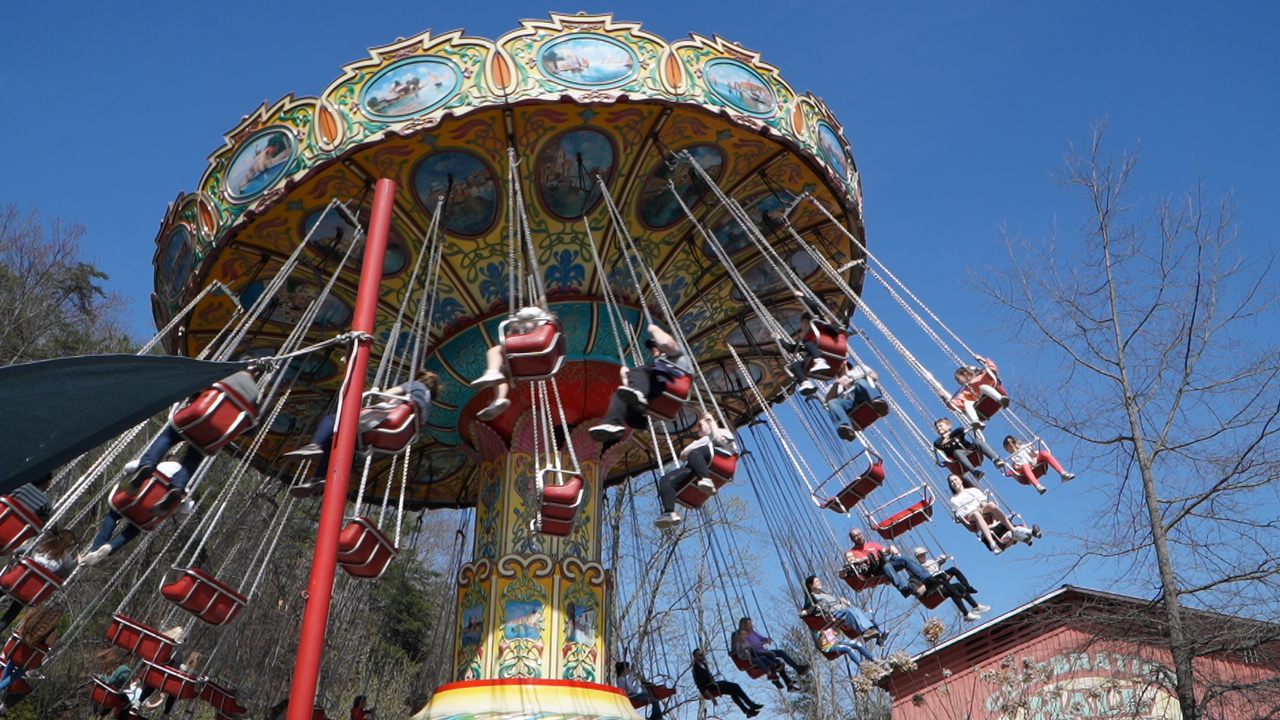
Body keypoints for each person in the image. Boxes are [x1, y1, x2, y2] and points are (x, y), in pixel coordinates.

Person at [117, 366, 263, 516]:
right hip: (214, 436)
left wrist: (195, 398)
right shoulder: (256, 397)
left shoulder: (225, 373)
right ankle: (178, 487)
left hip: (197, 416)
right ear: (257, 373)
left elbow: (196, 388)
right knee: (195, 455)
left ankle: (147, 464)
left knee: (169, 436)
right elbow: (251, 431)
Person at [285, 370, 441, 497]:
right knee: (348, 443)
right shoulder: (427, 406)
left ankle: (315, 445)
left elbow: (388, 395)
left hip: (385, 417)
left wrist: (380, 394)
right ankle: (321, 477)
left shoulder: (415, 385)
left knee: (334, 420)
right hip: (402, 436)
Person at [590, 325, 694, 443]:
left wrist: (653, 328)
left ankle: (638, 399)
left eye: (655, 345)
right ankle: (613, 423)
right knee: (620, 394)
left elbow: (666, 343)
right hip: (656, 390)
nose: (653, 348)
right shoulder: (653, 369)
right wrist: (626, 376)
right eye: (652, 347)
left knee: (640, 371)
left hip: (669, 382)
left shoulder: (678, 356)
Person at [81, 457, 191, 567]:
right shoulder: (184, 486)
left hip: (132, 501)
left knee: (113, 515)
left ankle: (95, 548)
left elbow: (128, 467)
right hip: (149, 516)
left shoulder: (157, 464)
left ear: (167, 460)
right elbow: (186, 510)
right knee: (135, 528)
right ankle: (112, 546)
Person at [470, 306, 557, 421]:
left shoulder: (538, 317)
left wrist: (516, 320)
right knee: (504, 372)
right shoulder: (548, 324)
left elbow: (526, 320)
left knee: (495, 350)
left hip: (532, 347)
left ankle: (492, 372)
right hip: (539, 361)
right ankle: (499, 400)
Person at [654, 413, 737, 528]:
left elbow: (720, 440)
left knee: (695, 453)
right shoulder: (701, 442)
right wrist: (694, 446)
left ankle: (705, 479)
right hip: (698, 464)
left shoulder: (722, 431)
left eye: (700, 425)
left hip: (720, 455)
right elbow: (683, 455)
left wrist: (712, 421)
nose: (697, 428)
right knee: (666, 480)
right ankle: (669, 512)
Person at [0, 529, 77, 631]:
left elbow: (19, 551)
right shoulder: (66, 562)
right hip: (30, 593)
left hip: (16, 581)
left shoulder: (41, 546)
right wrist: (77, 563)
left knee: (5, 584)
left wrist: (24, 545)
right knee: (14, 611)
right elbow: (64, 575)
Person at [947, 475, 1040, 554]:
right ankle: (992, 543)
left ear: (961, 480)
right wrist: (975, 510)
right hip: (971, 515)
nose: (954, 482)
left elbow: (983, 501)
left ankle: (1016, 530)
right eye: (951, 482)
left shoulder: (973, 490)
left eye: (955, 479)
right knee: (976, 514)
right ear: (951, 485)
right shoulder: (954, 500)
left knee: (990, 505)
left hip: (982, 509)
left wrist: (982, 506)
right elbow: (961, 514)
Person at [776, 289, 841, 396]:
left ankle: (819, 360)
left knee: (808, 343)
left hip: (830, 345)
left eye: (801, 325)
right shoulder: (809, 340)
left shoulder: (821, 324)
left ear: (806, 322)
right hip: (828, 353)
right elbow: (792, 349)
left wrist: (802, 297)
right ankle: (806, 383)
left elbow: (814, 308)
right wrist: (779, 339)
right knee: (796, 364)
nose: (801, 329)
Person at [0, 605, 61, 715]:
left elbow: (19, 630)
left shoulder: (30, 620)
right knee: (22, 678)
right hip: (28, 661)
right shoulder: (50, 632)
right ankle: (4, 706)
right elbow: (48, 645)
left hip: (14, 653)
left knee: (10, 666)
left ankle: (2, 694)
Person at [844, 528, 933, 599]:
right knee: (885, 565)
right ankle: (903, 588)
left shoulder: (873, 545)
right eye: (855, 536)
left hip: (885, 564)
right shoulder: (852, 552)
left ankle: (927, 578)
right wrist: (859, 560)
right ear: (852, 539)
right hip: (872, 571)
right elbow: (850, 559)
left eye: (860, 534)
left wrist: (891, 548)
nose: (859, 537)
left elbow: (885, 550)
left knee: (904, 559)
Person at [800, 575, 887, 645]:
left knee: (868, 614)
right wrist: (805, 612)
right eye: (817, 582)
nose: (820, 583)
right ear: (811, 586)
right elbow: (808, 609)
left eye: (820, 581)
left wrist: (841, 602)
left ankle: (878, 637)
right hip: (833, 614)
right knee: (850, 611)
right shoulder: (812, 597)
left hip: (841, 610)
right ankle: (865, 632)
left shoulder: (824, 594)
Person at [913, 547, 990, 621]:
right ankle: (966, 613)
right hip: (935, 584)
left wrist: (943, 558)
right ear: (917, 558)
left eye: (923, 555)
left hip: (942, 577)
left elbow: (939, 562)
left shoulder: (931, 561)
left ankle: (974, 602)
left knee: (957, 580)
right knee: (954, 589)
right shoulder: (919, 568)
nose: (923, 557)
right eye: (920, 556)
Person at [732, 618, 807, 691]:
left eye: (750, 623)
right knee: (772, 657)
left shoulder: (752, 632)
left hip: (762, 650)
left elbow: (761, 638)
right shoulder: (743, 635)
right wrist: (760, 647)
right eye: (748, 623)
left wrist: (766, 640)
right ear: (744, 625)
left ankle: (794, 673)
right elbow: (748, 647)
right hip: (756, 653)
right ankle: (779, 679)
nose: (751, 625)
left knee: (780, 654)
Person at [825, 363, 890, 440]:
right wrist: (837, 384)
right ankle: (845, 428)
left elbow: (874, 376)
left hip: (862, 394)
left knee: (859, 382)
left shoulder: (858, 369)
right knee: (832, 402)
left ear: (844, 361)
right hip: (849, 403)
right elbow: (829, 399)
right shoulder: (833, 386)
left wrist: (853, 379)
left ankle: (877, 402)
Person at [691, 648, 761, 717]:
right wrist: (712, 698)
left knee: (735, 686)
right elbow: (701, 687)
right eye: (700, 655)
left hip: (713, 684)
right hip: (709, 688)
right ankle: (746, 710)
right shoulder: (696, 670)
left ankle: (751, 704)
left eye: (703, 654)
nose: (703, 656)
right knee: (731, 690)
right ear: (695, 657)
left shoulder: (704, 664)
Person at [933, 417, 1005, 481]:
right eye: (937, 428)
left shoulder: (956, 433)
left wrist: (949, 436)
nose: (939, 428)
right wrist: (943, 438)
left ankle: (995, 459)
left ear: (949, 426)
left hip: (970, 450)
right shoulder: (941, 442)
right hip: (958, 457)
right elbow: (936, 443)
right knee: (957, 452)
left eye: (940, 426)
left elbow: (960, 429)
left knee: (977, 441)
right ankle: (974, 472)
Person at [949, 356, 1009, 429]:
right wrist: (948, 401)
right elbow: (959, 404)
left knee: (983, 387)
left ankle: (1001, 399)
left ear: (965, 374)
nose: (959, 382)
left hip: (992, 395)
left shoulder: (981, 376)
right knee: (966, 403)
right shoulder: (966, 391)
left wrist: (984, 361)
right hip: (981, 407)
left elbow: (992, 370)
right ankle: (976, 421)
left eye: (958, 379)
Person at [1003, 436, 1075, 494]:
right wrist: (1016, 467)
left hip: (1036, 463)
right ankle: (1038, 485)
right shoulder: (1013, 457)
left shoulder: (1025, 446)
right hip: (1027, 470)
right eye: (1009, 445)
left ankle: (1063, 473)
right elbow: (1015, 467)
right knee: (1025, 465)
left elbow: (1033, 453)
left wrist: (1035, 453)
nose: (1012, 446)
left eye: (1012, 442)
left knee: (1044, 453)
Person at [94, 647, 133, 717]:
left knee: (114, 697)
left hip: (103, 691)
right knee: (127, 703)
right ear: (126, 655)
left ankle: (100, 716)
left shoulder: (110, 665)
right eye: (131, 655)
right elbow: (126, 687)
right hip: (111, 695)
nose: (132, 657)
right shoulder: (125, 670)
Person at [812, 625, 877, 664]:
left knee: (857, 644)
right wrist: (821, 636)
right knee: (848, 649)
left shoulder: (827, 624)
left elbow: (836, 632)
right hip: (828, 647)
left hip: (835, 642)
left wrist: (840, 626)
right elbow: (818, 645)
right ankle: (861, 665)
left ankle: (873, 658)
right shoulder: (815, 630)